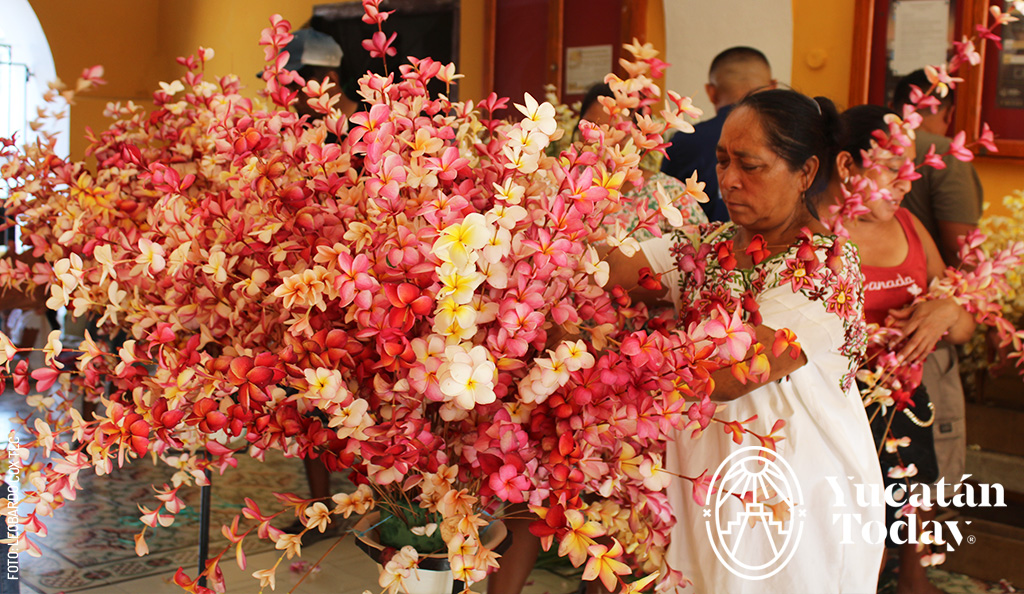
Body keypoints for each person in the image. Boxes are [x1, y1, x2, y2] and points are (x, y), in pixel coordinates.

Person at [607, 89, 884, 592]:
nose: (729, 179)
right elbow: (604, 272)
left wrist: (607, 371)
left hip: (792, 496)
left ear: (805, 172)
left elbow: (731, 376)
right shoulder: (704, 246)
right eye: (722, 161)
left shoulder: (825, 268)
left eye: (750, 165)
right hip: (704, 484)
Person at [821, 105, 976, 594]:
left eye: (910, 168)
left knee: (912, 490)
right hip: (834, 412)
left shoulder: (909, 226)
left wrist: (946, 311)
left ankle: (912, 577)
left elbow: (965, 326)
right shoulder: (813, 234)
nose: (907, 182)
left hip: (904, 405)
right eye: (892, 168)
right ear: (847, 165)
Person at [892, 69, 981, 524]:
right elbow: (967, 259)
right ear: (944, 112)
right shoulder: (943, 154)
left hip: (905, 328)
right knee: (924, 477)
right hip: (922, 335)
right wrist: (951, 305)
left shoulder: (869, 149)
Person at [660, 47, 776, 223]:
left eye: (750, 166)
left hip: (701, 239)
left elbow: (667, 207)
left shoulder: (686, 141)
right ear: (773, 87)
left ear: (711, 92)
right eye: (723, 162)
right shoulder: (788, 138)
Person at [578, 83, 708, 238]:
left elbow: (701, 244)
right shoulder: (565, 186)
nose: (600, 140)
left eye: (615, 130)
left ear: (640, 135)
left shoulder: (670, 192)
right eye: (592, 128)